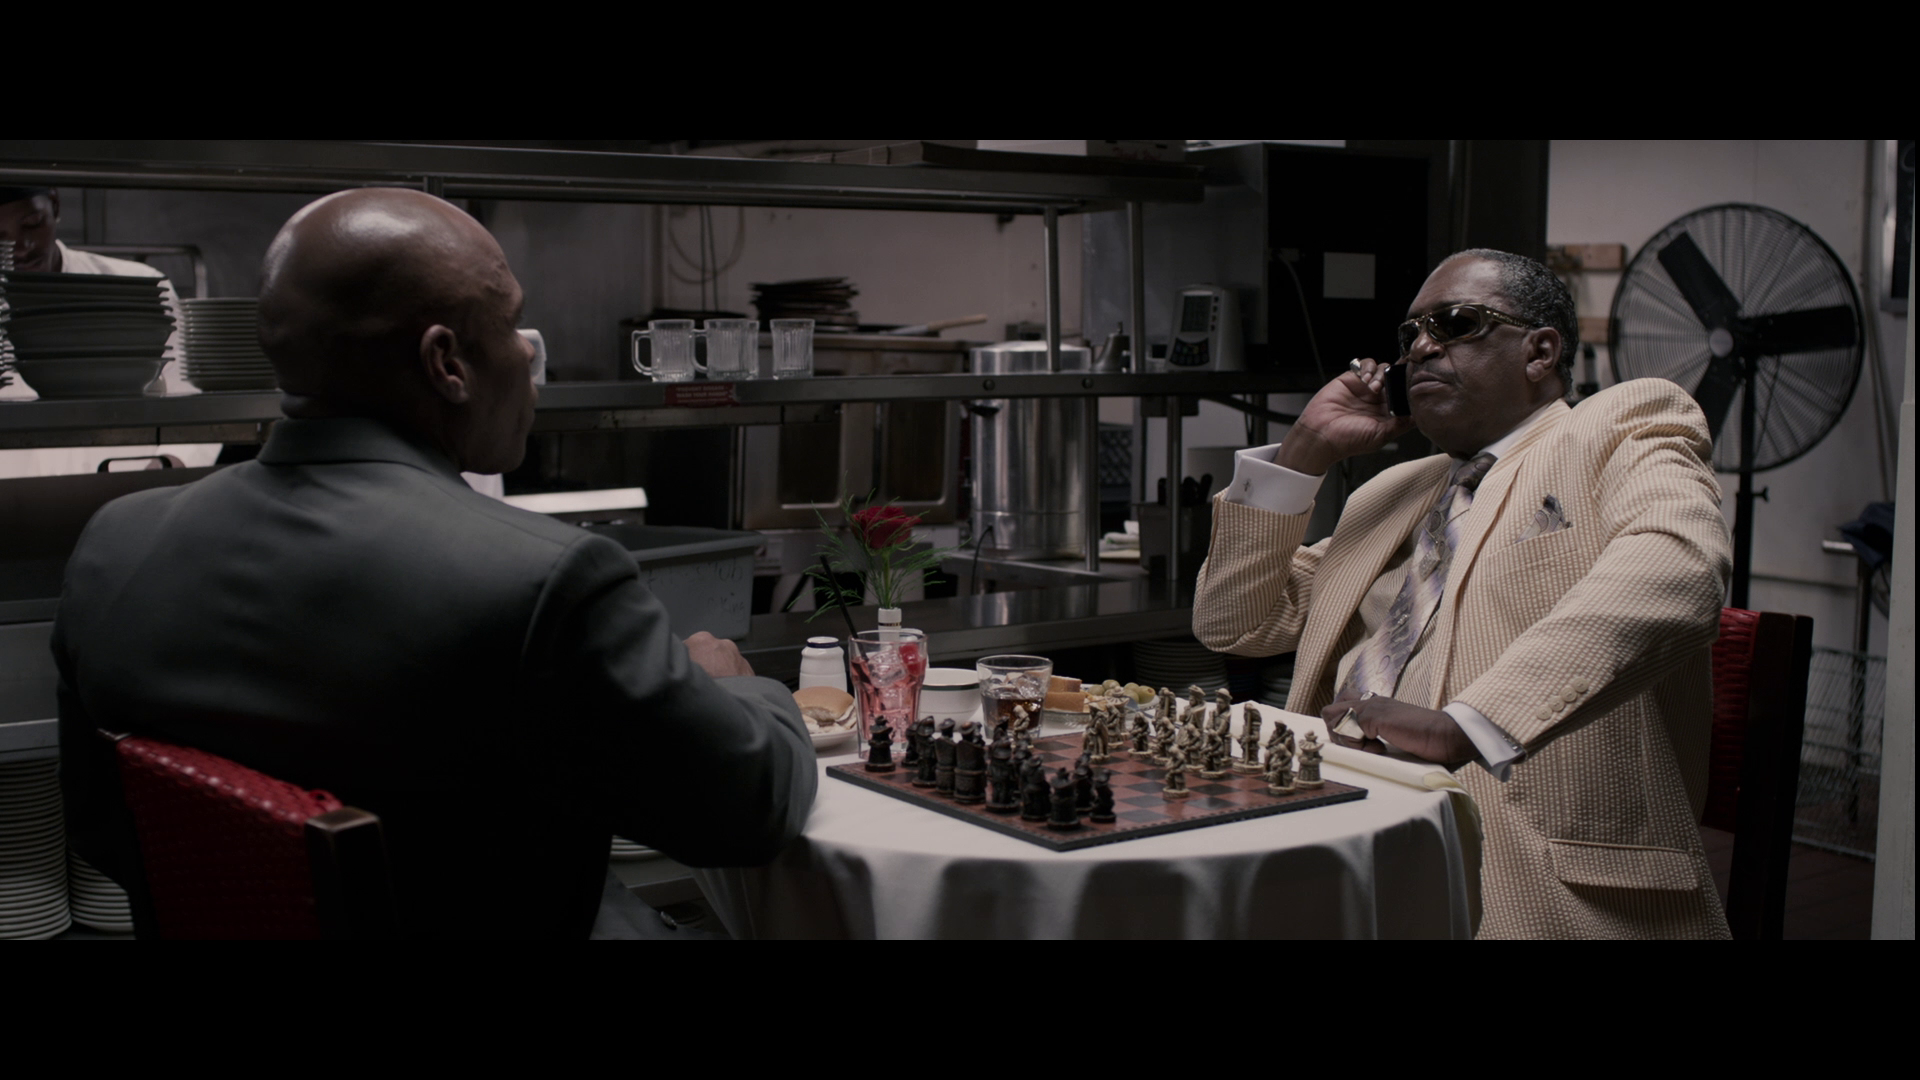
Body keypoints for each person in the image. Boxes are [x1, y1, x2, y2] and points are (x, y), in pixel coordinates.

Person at [53, 187, 817, 938]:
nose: (527, 351)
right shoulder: (543, 582)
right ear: (446, 361)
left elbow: (100, 829)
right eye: (511, 323)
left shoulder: (117, 542)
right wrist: (740, 692)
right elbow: (746, 812)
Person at [1193, 249, 1731, 939]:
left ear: (1540, 352)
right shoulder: (1395, 490)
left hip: (1525, 884)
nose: (1420, 347)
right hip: (1337, 847)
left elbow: (1678, 566)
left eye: (1454, 323)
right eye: (1410, 333)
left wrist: (1471, 723)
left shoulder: (1617, 426)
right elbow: (1234, 623)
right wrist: (1305, 450)